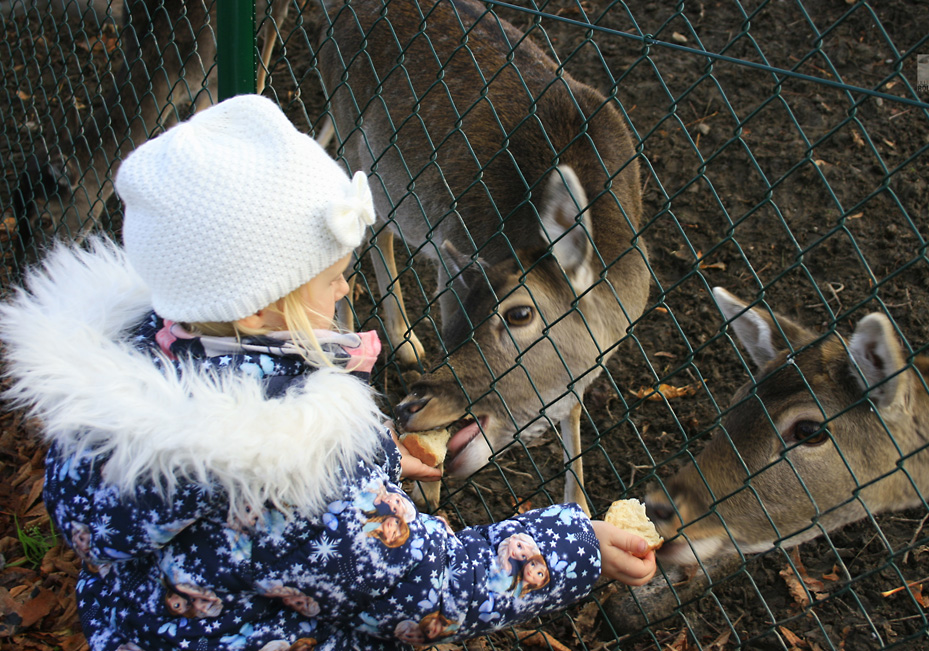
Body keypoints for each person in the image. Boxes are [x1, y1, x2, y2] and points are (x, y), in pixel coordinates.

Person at [0, 94, 657, 651]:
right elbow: (426, 588)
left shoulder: (130, 379)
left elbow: (245, 530)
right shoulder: (298, 469)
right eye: (331, 274)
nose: (349, 280)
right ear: (261, 304)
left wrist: (379, 465)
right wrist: (573, 545)